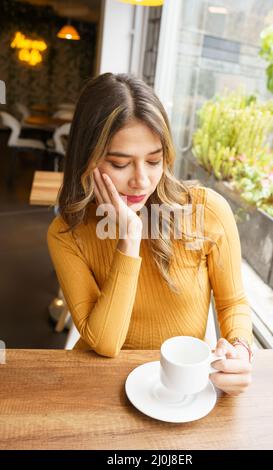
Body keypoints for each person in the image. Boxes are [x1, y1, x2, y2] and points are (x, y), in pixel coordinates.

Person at [47, 72, 253, 396]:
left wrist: (240, 349)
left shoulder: (207, 211)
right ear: (86, 158)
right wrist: (129, 238)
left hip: (178, 386)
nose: (141, 180)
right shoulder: (67, 232)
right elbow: (104, 342)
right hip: (99, 386)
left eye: (154, 160)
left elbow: (233, 303)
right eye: (119, 164)